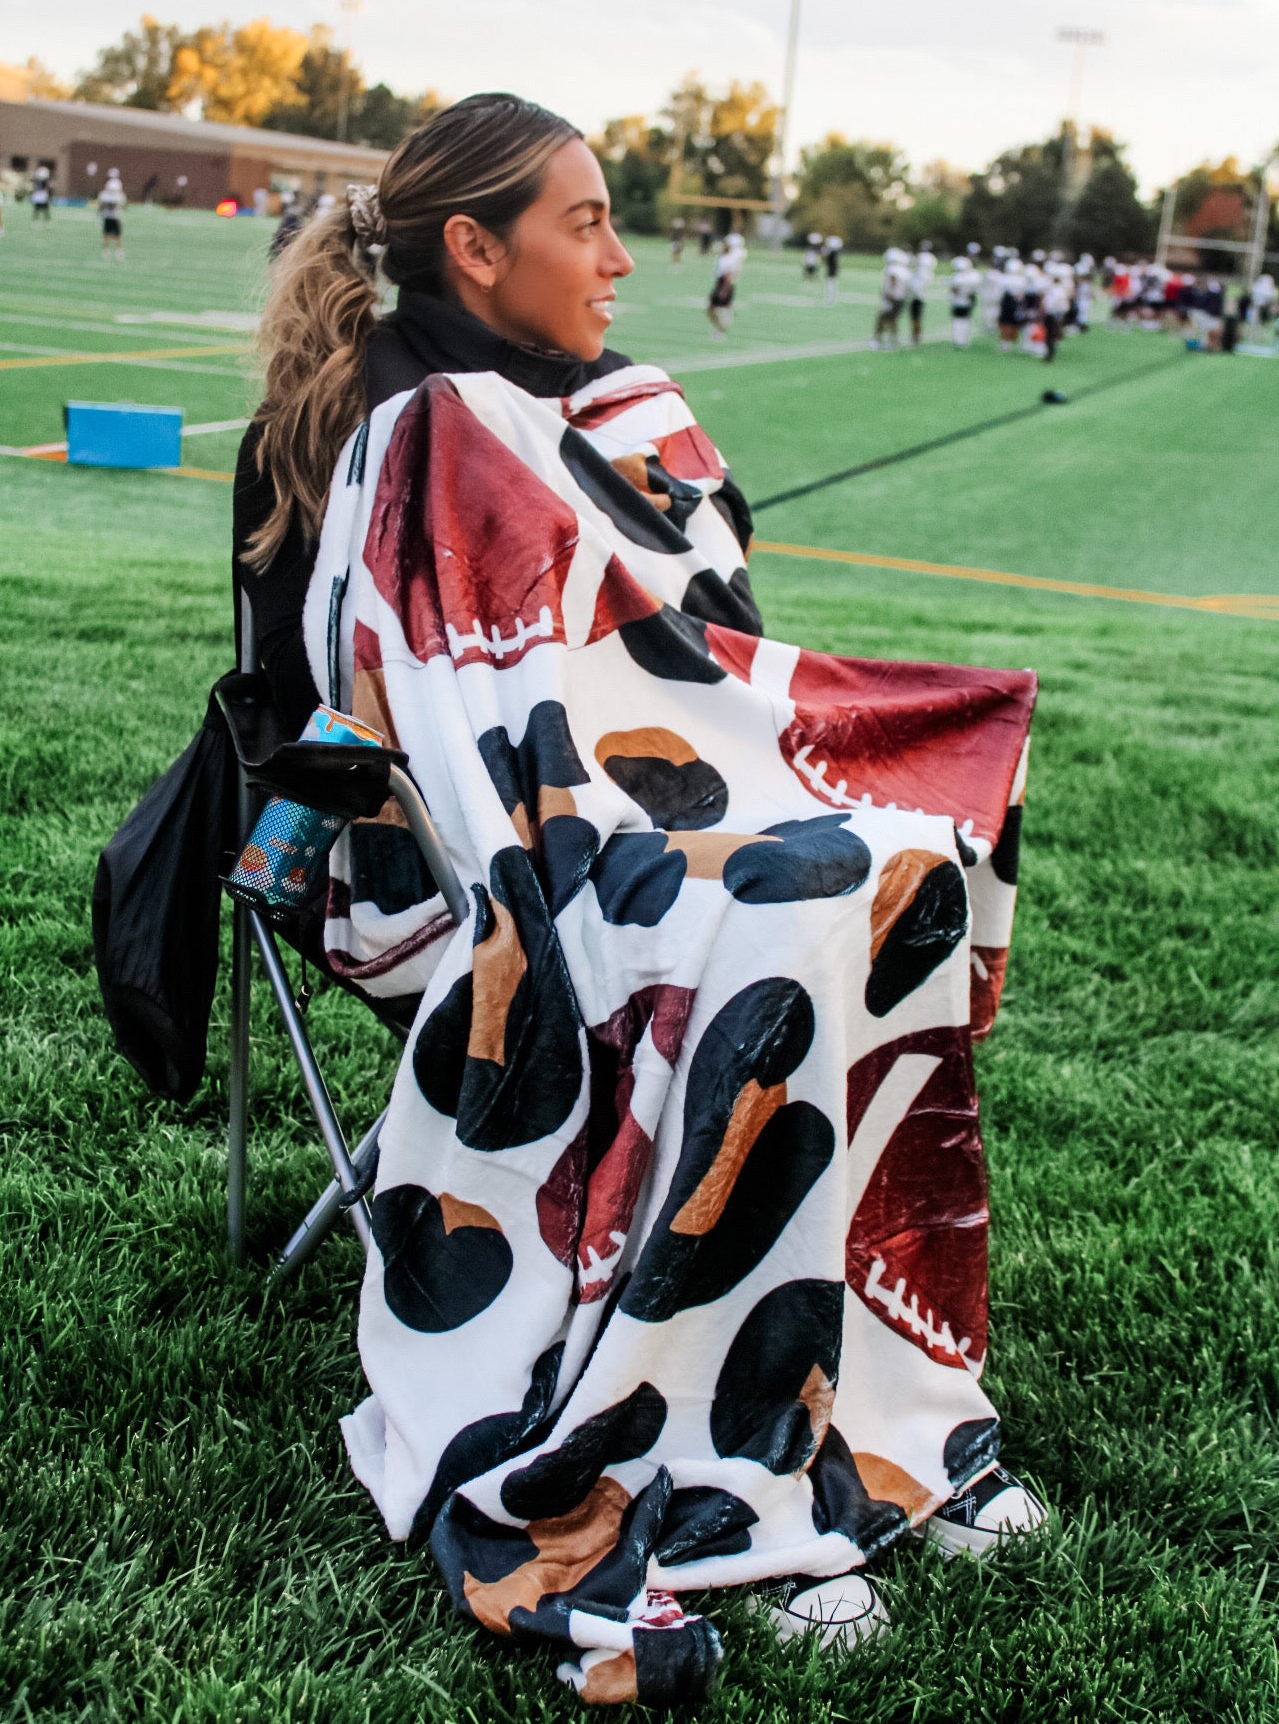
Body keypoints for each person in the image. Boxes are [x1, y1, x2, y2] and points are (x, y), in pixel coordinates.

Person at [239, 93, 1045, 1704]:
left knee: (894, 861)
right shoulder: (400, 424)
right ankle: (705, 1466)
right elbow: (407, 696)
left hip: (646, 800)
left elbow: (695, 646)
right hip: (466, 845)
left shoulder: (611, 403)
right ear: (477, 247)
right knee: (775, 915)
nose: (621, 256)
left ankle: (872, 1409)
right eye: (584, 222)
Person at [707, 229, 745, 335]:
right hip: (720, 282)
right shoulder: (722, 257)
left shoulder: (730, 259)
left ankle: (720, 330)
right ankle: (720, 328)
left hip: (725, 284)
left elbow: (729, 275)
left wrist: (724, 289)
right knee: (711, 309)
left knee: (723, 309)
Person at [872, 247, 910, 347]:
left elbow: (893, 282)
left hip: (892, 299)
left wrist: (888, 295)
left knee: (882, 318)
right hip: (900, 298)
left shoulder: (892, 270)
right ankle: (893, 339)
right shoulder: (904, 270)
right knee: (893, 320)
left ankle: (877, 339)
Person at [908, 240, 936, 344]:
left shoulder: (921, 272)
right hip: (920, 295)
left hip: (917, 296)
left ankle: (915, 337)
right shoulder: (928, 269)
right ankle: (916, 336)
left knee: (915, 317)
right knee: (916, 317)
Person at [948, 254, 979, 346]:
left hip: (959, 301)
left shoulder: (957, 277)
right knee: (966, 320)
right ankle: (963, 340)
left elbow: (954, 290)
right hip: (967, 300)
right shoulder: (974, 276)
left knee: (958, 321)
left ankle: (958, 339)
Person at [97, 169, 126, 260]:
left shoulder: (107, 195)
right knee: (109, 235)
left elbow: (101, 207)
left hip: (113, 216)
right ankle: (111, 251)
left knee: (113, 235)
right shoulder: (108, 195)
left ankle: (114, 251)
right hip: (112, 216)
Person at [822, 231, 843, 305]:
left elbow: (826, 258)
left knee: (830, 285)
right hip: (832, 270)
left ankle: (830, 299)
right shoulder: (835, 252)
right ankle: (831, 299)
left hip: (831, 271)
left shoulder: (833, 253)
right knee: (832, 285)